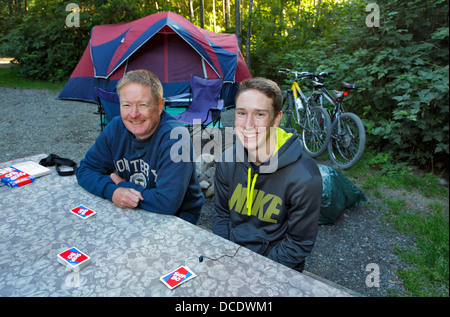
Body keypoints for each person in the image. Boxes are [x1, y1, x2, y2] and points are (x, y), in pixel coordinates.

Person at [213, 77, 323, 271]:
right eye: (241, 113)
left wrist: (257, 270)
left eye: (260, 114)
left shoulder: (304, 177)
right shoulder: (227, 161)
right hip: (231, 255)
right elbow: (222, 215)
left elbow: (298, 244)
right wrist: (227, 254)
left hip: (275, 266)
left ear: (277, 119)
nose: (248, 124)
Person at [76, 69, 204, 224]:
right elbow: (85, 169)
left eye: (143, 105)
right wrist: (113, 191)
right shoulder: (115, 128)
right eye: (126, 105)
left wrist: (122, 185)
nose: (134, 114)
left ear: (159, 105)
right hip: (136, 207)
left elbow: (167, 203)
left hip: (177, 218)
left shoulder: (176, 138)